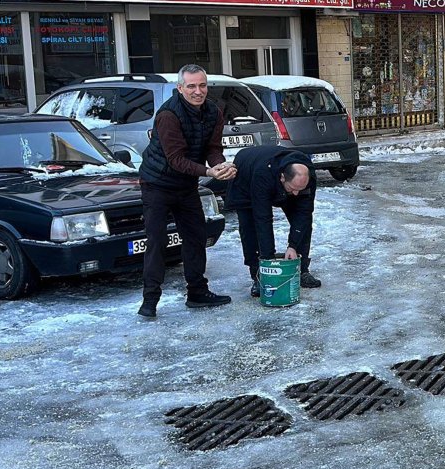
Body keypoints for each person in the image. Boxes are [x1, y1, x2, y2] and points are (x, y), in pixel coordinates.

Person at [137, 64, 237, 318]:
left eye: (202, 85)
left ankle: (197, 293)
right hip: (157, 183)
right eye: (191, 86)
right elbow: (175, 159)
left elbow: (213, 148)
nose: (197, 91)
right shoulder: (169, 115)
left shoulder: (214, 112)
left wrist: (220, 165)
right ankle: (150, 301)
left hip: (186, 185)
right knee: (157, 241)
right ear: (180, 88)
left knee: (195, 237)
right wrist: (209, 173)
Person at [225, 145, 322, 297]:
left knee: (304, 223)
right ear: (282, 177)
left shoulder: (306, 177)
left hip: (277, 179)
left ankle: (301, 269)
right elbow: (262, 219)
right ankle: (258, 275)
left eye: (300, 189)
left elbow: (304, 214)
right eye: (293, 189)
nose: (296, 194)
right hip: (246, 176)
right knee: (250, 228)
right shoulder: (263, 174)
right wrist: (268, 261)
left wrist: (293, 246)